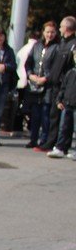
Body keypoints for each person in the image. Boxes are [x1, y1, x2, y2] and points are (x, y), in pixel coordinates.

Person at [23, 22, 62, 150]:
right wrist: (30, 75)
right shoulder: (37, 45)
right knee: (35, 115)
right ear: (43, 32)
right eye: (47, 32)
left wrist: (45, 78)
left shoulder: (57, 47)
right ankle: (33, 139)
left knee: (46, 115)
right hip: (34, 85)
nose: (50, 34)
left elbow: (57, 67)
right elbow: (28, 62)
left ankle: (44, 140)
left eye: (52, 32)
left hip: (48, 86)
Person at [46, 17, 76, 158]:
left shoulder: (72, 44)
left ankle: (64, 146)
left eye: (61, 27)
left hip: (69, 92)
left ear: (67, 28)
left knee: (68, 123)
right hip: (64, 92)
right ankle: (60, 147)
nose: (59, 30)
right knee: (63, 123)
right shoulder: (63, 43)